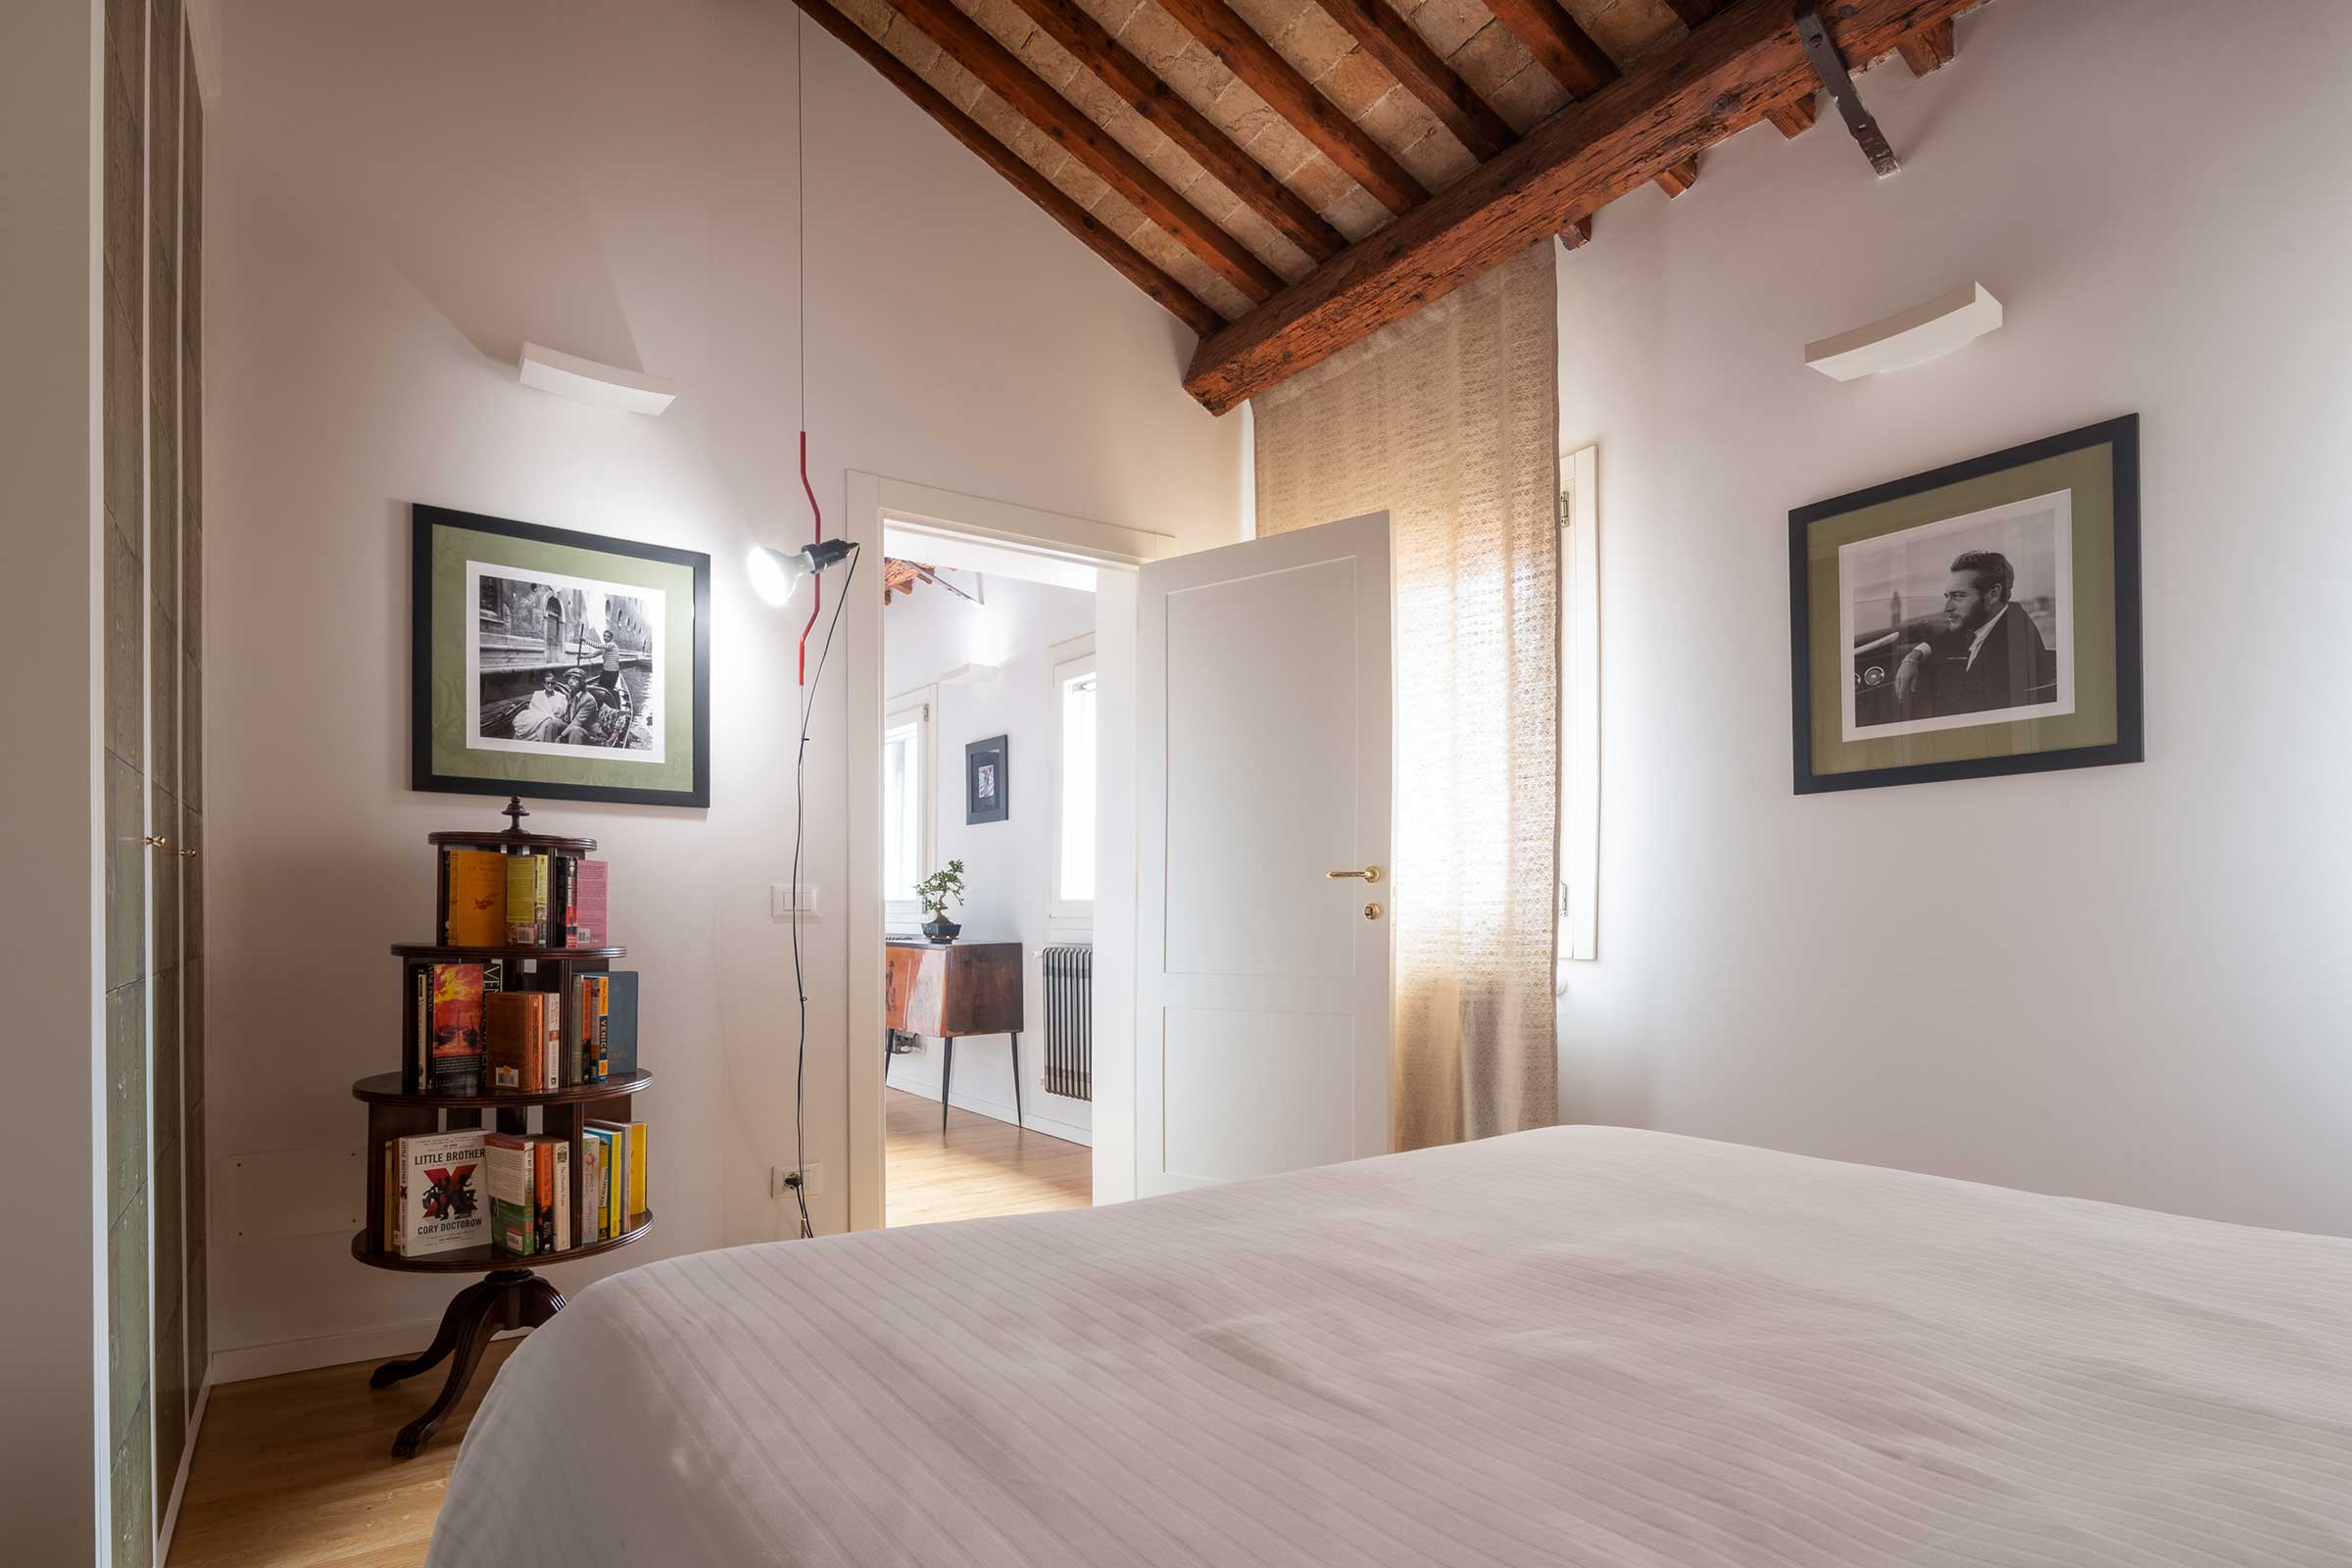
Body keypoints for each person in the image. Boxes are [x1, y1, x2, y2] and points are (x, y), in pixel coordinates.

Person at [1893, 549, 2057, 717]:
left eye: (1958, 596)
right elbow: (1948, 638)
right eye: (1947, 596)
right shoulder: (1995, 620)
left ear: (1993, 594)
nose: (1947, 607)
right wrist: (1913, 657)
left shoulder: (2009, 646)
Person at [512, 672, 567, 741]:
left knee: (548, 723)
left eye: (553, 683)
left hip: (553, 719)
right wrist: (544, 717)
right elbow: (533, 709)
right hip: (538, 717)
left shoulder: (561, 697)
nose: (550, 685)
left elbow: (563, 713)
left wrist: (550, 717)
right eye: (548, 683)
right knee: (523, 717)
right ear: (543, 683)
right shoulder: (538, 694)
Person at [596, 629, 623, 698]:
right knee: (600, 689)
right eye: (604, 636)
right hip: (606, 671)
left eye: (608, 636)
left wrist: (585, 641)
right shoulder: (604, 647)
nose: (605, 638)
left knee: (608, 691)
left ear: (611, 638)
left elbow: (597, 646)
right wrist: (583, 657)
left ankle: (608, 704)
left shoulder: (611, 645)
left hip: (613, 673)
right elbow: (594, 654)